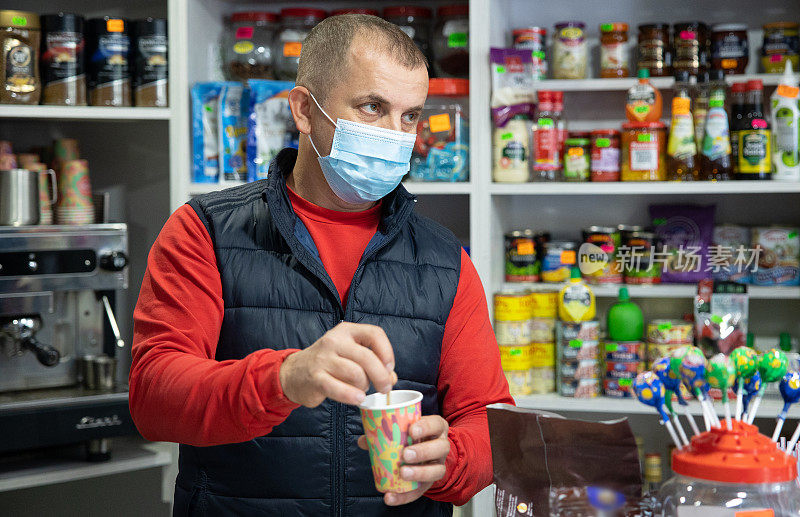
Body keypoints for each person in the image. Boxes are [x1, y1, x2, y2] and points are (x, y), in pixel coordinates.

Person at [130, 13, 512, 516]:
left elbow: (491, 420)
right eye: (373, 107)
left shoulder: (445, 260)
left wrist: (450, 459)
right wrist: (284, 378)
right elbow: (154, 398)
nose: (397, 135)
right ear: (305, 110)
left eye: (410, 115)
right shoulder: (205, 231)